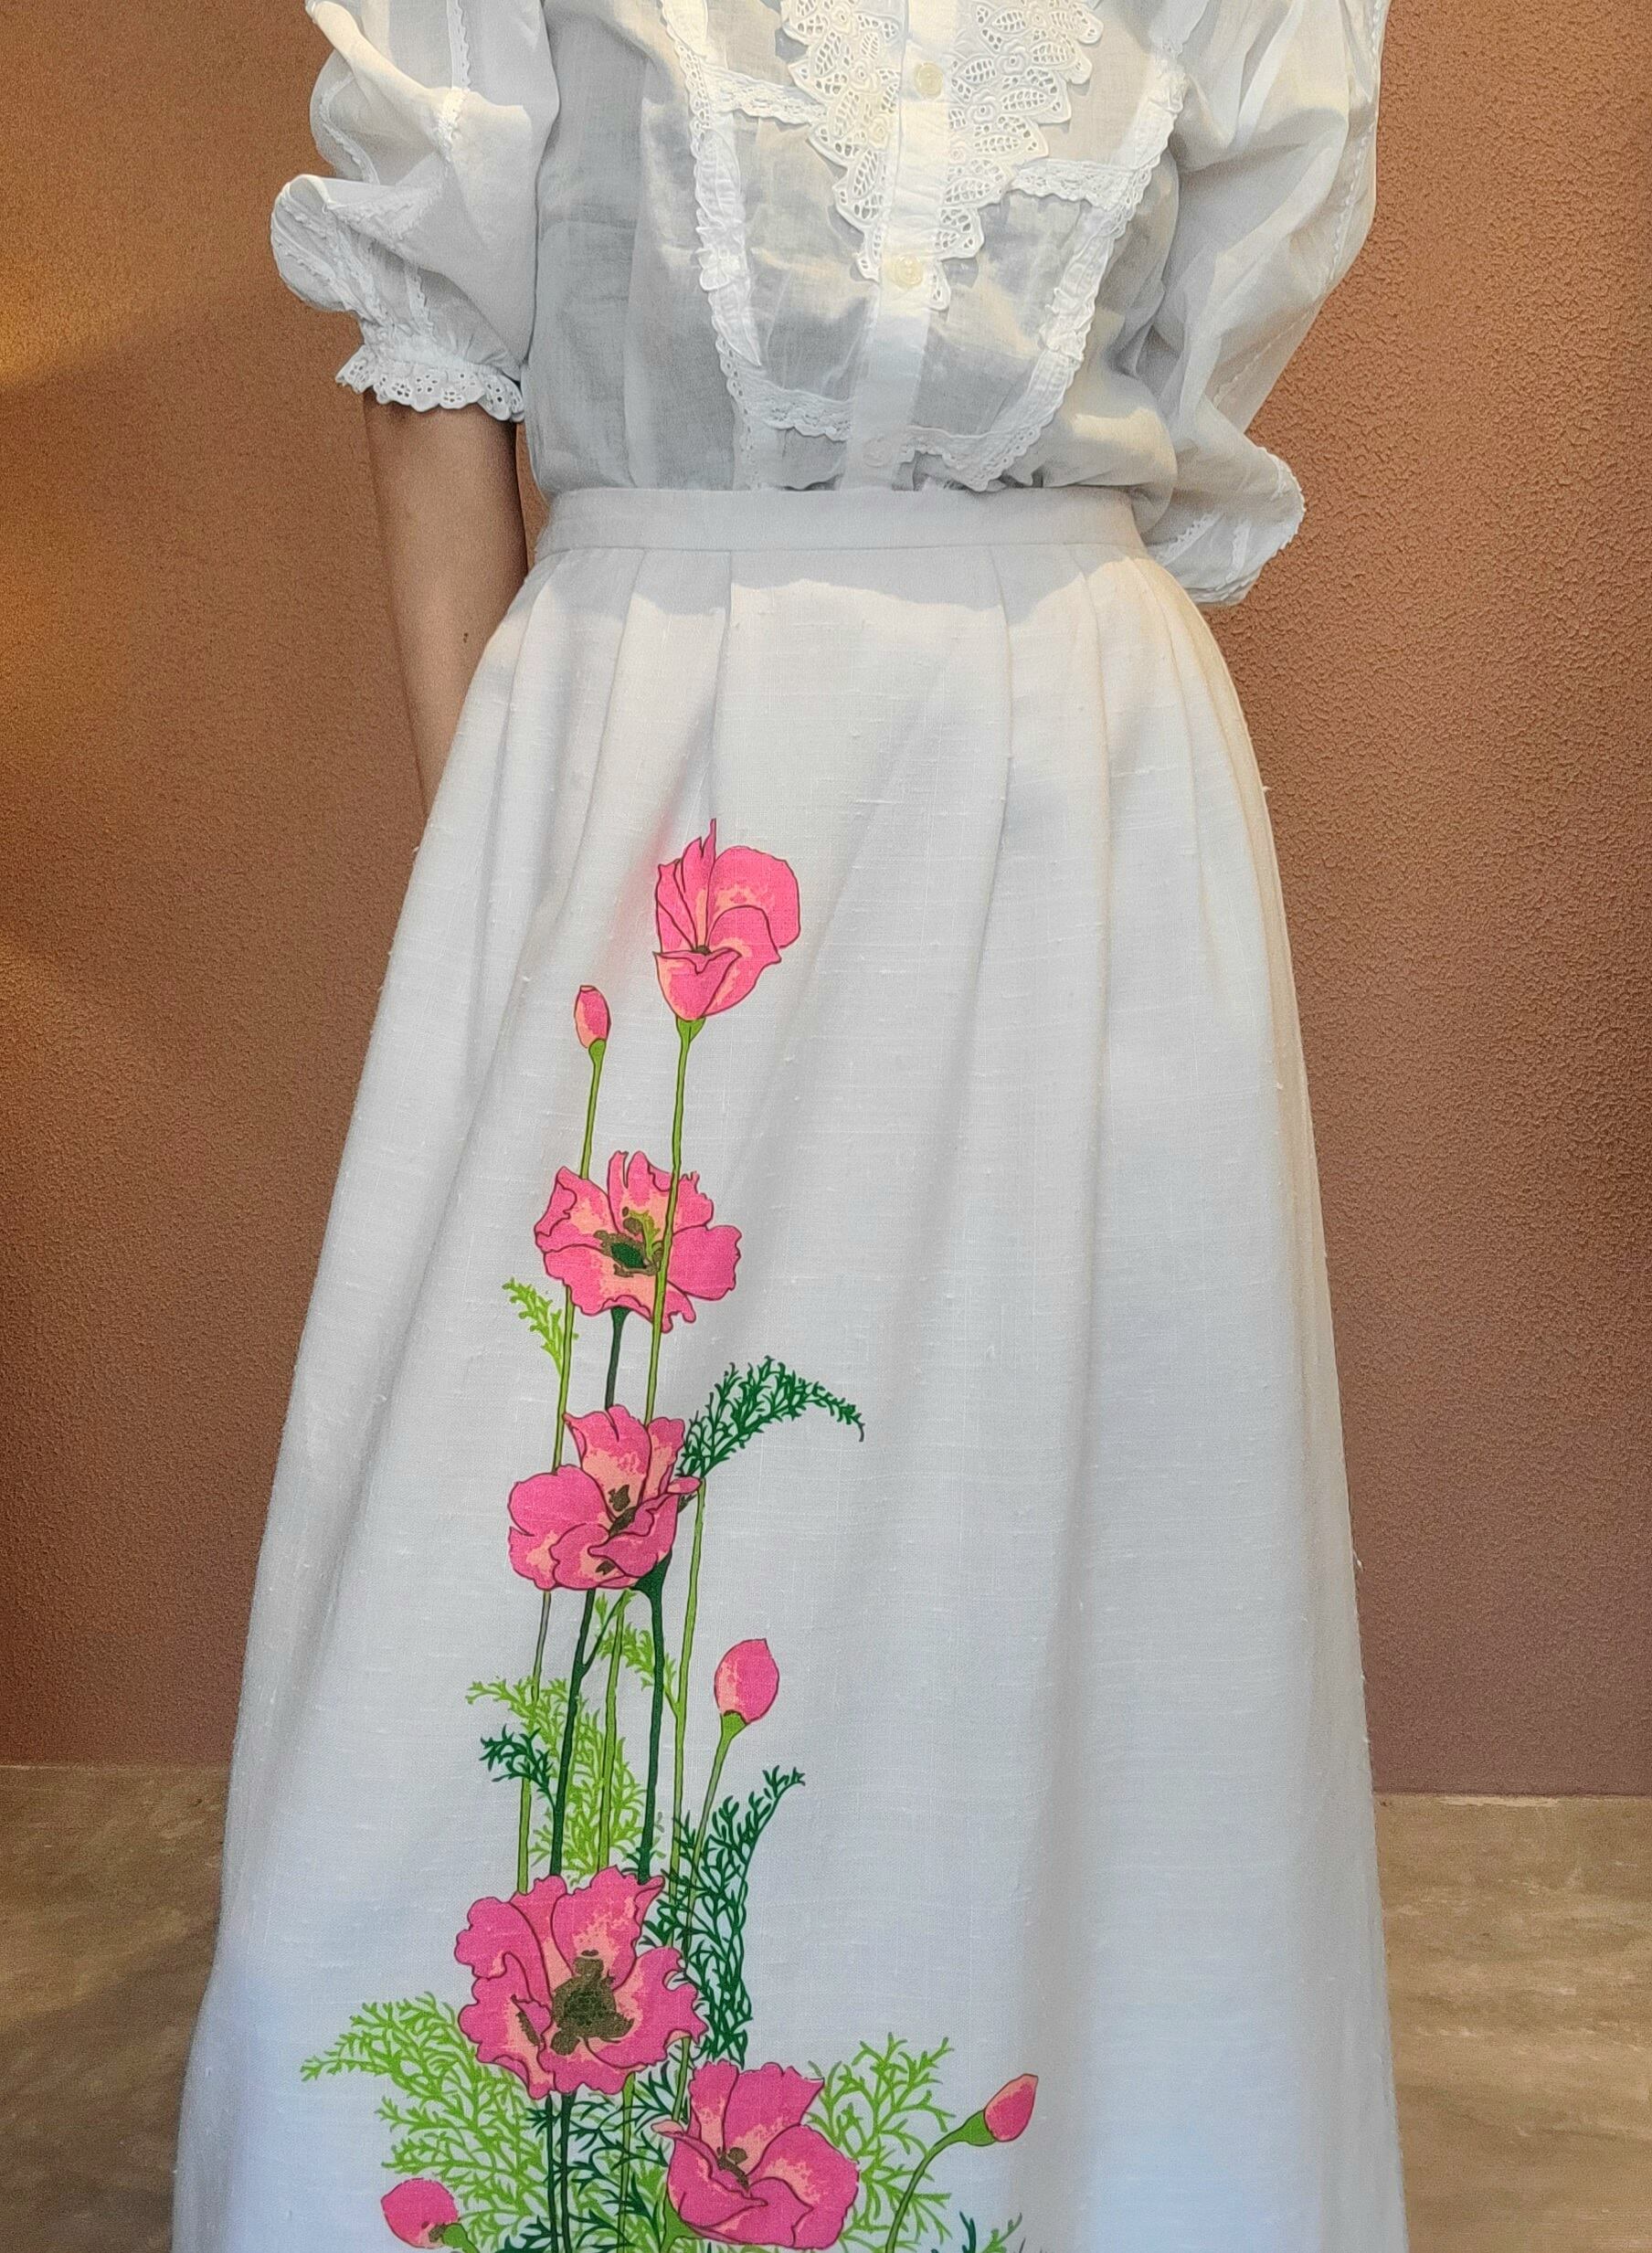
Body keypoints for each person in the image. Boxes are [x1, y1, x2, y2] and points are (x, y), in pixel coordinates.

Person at [175, 0, 1407, 2246]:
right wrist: (509, 887)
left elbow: (1194, 367)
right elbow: (438, 373)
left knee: (1055, 1574)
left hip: (1071, 801)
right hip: (652, 763)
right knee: (554, 1557)